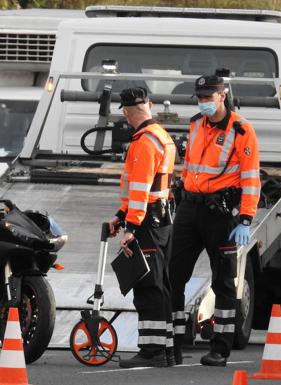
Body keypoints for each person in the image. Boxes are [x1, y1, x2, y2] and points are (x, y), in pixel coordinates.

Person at [170, 74, 261, 366]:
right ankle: (173, 343)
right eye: (200, 98)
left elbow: (250, 178)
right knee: (174, 276)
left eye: (209, 97)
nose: (204, 102)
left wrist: (246, 218)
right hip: (189, 208)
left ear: (222, 96)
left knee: (223, 283)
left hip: (219, 214)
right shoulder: (196, 123)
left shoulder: (241, 130)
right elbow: (190, 167)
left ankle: (220, 348)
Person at [107, 87, 176, 368]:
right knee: (161, 283)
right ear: (149, 103)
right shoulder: (161, 136)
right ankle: (166, 349)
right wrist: (121, 215)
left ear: (124, 111)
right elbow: (150, 188)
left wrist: (130, 226)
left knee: (147, 285)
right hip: (161, 219)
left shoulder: (145, 142)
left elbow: (140, 189)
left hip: (147, 222)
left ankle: (152, 351)